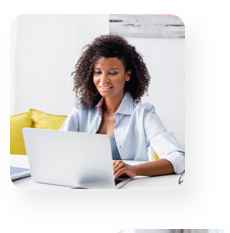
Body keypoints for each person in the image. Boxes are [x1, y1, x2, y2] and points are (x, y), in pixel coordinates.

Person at [62, 34, 185, 180]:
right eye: (98, 72)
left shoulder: (143, 114)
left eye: (113, 73)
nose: (103, 80)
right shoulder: (81, 111)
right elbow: (58, 149)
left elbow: (178, 158)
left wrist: (134, 169)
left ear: (127, 75)